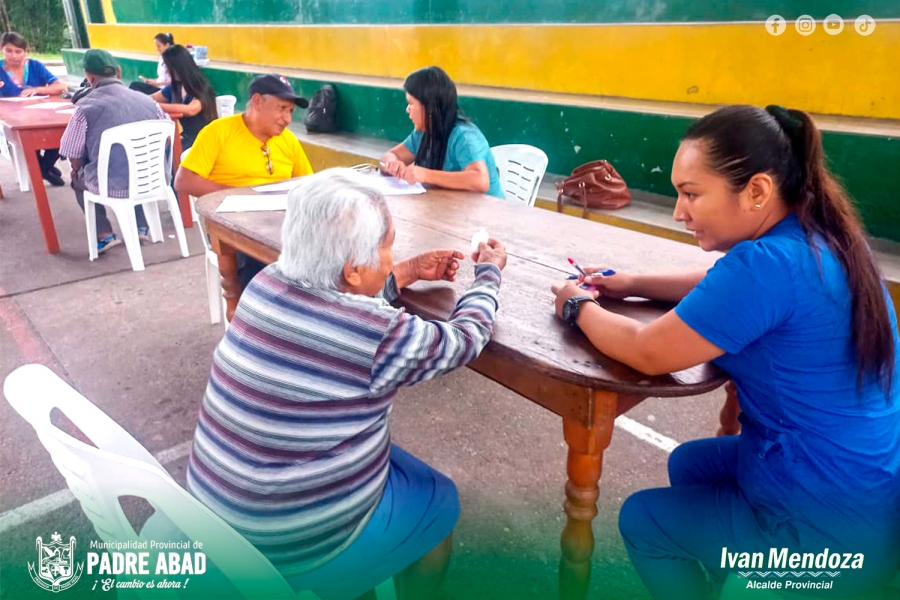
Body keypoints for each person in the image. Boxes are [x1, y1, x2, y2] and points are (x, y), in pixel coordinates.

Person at [550, 104, 900, 599]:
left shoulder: (767, 265)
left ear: (756, 190)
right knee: (690, 465)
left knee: (644, 519)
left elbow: (647, 351)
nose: (678, 211)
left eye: (691, 194)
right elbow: (722, 285)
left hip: (826, 530)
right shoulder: (822, 238)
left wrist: (576, 305)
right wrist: (631, 283)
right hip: (868, 494)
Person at [182, 168, 507, 599]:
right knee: (439, 501)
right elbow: (464, 341)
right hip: (290, 542)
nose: (392, 256)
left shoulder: (266, 282)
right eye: (389, 248)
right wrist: (488, 275)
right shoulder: (376, 332)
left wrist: (406, 271)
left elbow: (339, 301)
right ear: (354, 269)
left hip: (212, 511)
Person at [175, 73, 314, 287]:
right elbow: (184, 181)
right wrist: (241, 196)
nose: (287, 119)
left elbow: (307, 185)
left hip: (281, 225)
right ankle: (256, 316)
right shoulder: (219, 132)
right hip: (233, 229)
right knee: (266, 266)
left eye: (290, 111)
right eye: (281, 109)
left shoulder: (288, 140)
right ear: (257, 102)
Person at [59, 50, 171, 253]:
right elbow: (167, 137)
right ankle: (141, 227)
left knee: (77, 180)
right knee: (134, 166)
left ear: (89, 77)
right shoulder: (149, 101)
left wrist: (78, 169)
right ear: (118, 72)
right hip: (153, 179)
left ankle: (104, 235)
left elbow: (72, 153)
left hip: (111, 185)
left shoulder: (85, 108)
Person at [380, 66, 504, 199]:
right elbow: (390, 155)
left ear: (429, 106)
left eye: (411, 103)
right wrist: (392, 163)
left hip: (487, 213)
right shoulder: (422, 133)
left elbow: (480, 181)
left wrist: (426, 175)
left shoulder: (464, 136)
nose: (407, 109)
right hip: (452, 208)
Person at [0, 31, 67, 186]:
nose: (14, 56)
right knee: (26, 136)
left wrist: (38, 90)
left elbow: (61, 87)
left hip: (41, 114)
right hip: (12, 119)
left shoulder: (35, 66)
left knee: (62, 133)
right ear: (2, 50)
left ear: (25, 51)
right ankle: (44, 169)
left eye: (18, 51)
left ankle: (43, 168)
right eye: (9, 51)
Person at [149, 44, 216, 149]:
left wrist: (154, 105)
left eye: (168, 67)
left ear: (178, 67)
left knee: (168, 155)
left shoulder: (202, 87)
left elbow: (190, 110)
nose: (166, 71)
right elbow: (151, 98)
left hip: (202, 141)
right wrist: (138, 99)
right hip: (185, 137)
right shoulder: (175, 87)